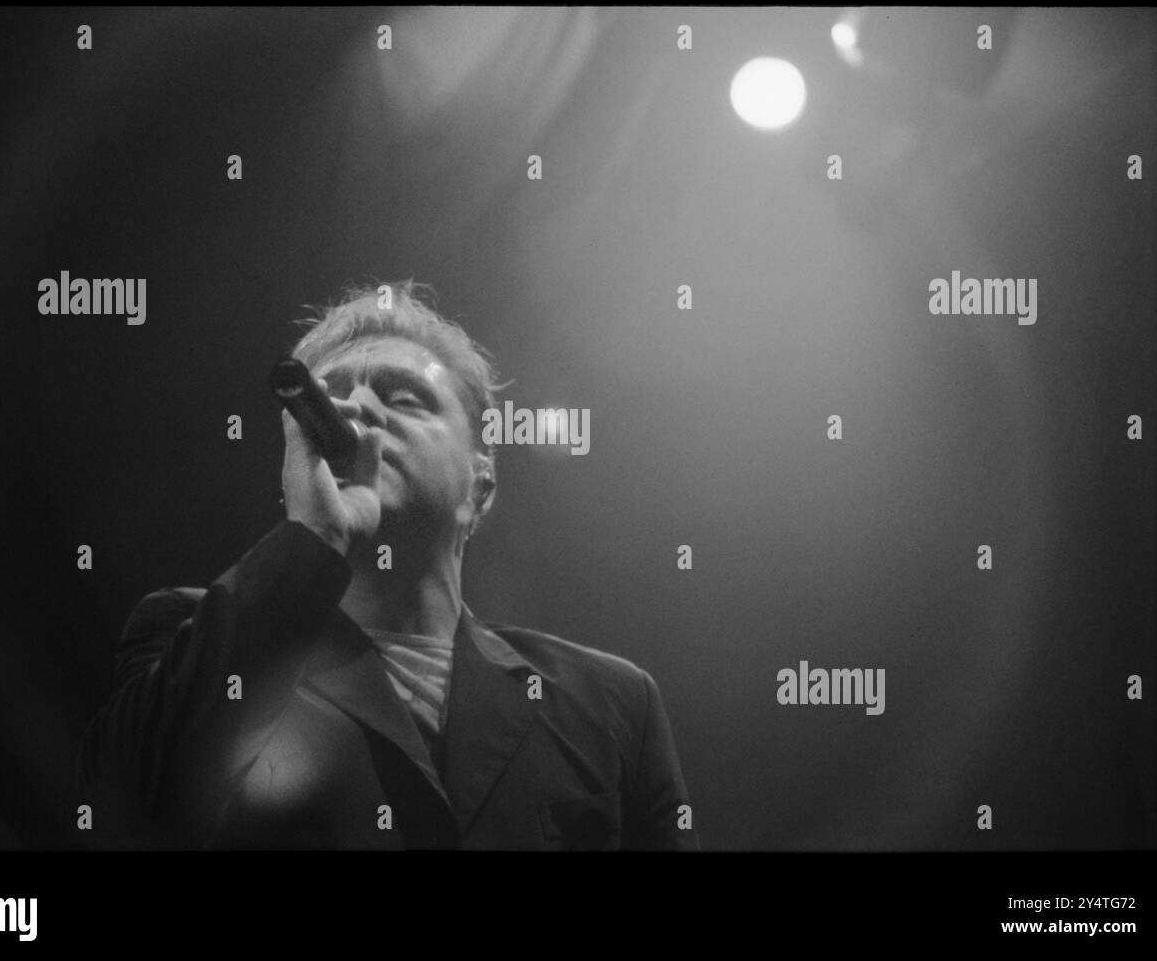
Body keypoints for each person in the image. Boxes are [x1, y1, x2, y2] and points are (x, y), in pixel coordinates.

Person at [77, 280, 697, 850]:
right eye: (332, 397)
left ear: (481, 481)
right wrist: (315, 538)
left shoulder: (612, 702)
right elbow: (119, 814)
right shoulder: (200, 638)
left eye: (404, 397)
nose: (357, 410)